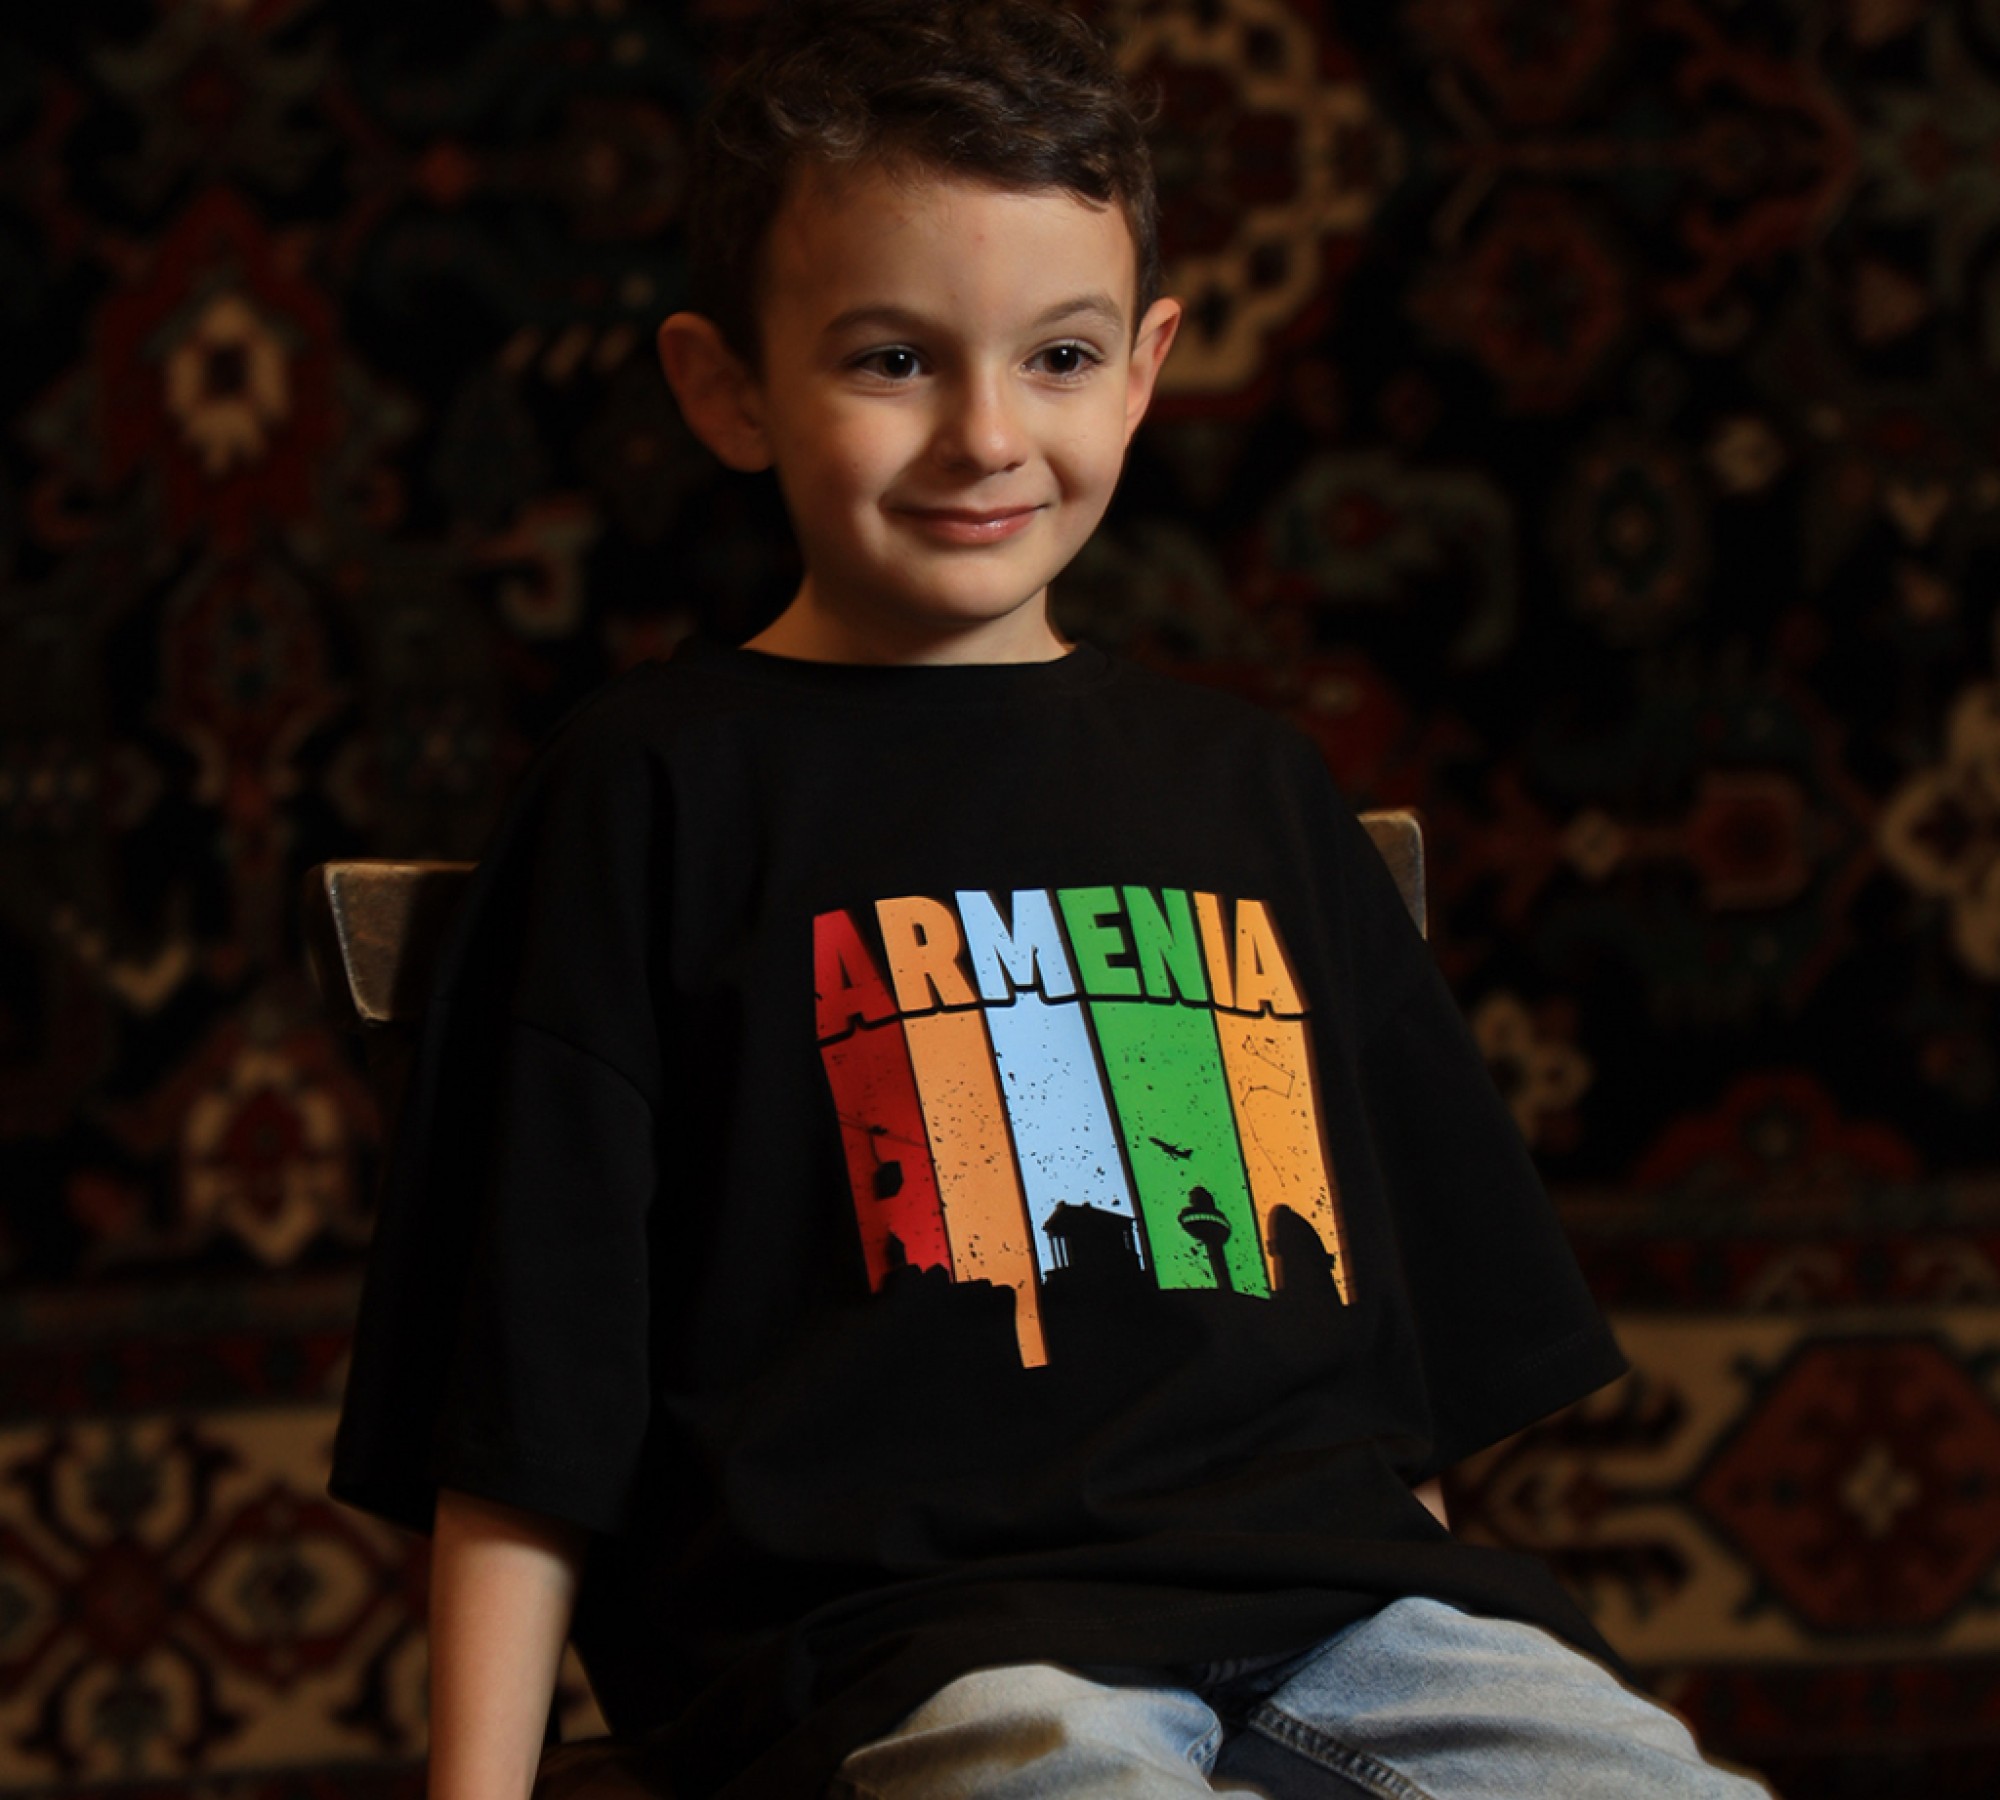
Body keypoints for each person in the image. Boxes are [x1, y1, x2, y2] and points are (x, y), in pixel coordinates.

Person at [329, 3, 1770, 1796]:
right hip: (909, 1646)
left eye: (1061, 355)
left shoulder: (1254, 793)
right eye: (893, 359)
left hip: (1346, 1618)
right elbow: (517, 1407)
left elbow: (1381, 1386)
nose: (987, 434)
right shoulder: (651, 793)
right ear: (726, 388)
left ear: (1146, 367)